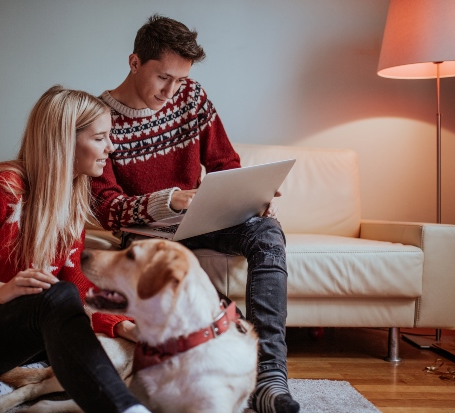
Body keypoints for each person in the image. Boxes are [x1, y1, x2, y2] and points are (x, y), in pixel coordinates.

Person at [91, 15, 300, 413]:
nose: (172, 91)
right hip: (148, 236)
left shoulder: (192, 97)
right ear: (134, 62)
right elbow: (106, 209)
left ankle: (269, 377)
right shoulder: (100, 118)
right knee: (193, 301)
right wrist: (169, 201)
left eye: (180, 80)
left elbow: (224, 163)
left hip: (204, 219)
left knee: (267, 232)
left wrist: (252, 195)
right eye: (163, 78)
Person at [0, 85, 148, 413]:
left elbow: (76, 283)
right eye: (100, 137)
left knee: (78, 311)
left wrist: (117, 323)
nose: (111, 147)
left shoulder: (70, 202)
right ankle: (123, 407)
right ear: (65, 140)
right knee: (59, 301)